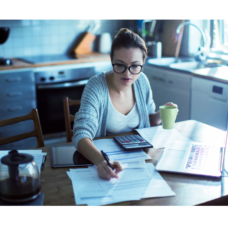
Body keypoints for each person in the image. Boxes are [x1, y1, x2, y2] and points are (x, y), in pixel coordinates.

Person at [72, 28, 178, 180]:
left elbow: (147, 120)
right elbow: (81, 135)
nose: (127, 74)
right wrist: (101, 162)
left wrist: (161, 115)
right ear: (111, 60)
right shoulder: (96, 86)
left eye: (135, 66)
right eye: (120, 65)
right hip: (107, 161)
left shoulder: (142, 81)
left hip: (138, 161)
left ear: (143, 62)